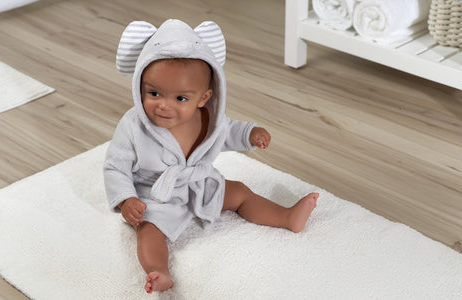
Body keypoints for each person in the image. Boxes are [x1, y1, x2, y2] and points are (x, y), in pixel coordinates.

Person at [104, 19, 318, 294]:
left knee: (239, 192)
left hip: (198, 185)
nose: (164, 105)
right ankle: (158, 270)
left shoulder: (209, 120)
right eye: (153, 93)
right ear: (139, 86)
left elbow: (229, 131)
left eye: (181, 98)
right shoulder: (133, 125)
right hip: (155, 194)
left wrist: (250, 134)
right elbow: (115, 166)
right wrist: (126, 199)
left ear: (204, 98)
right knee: (148, 230)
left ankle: (286, 217)